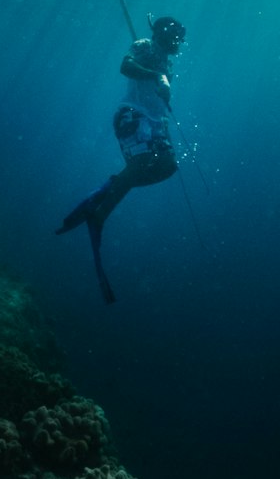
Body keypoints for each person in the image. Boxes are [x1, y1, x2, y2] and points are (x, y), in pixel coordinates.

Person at [55, 15, 186, 301]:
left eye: (180, 37)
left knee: (168, 167)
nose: (179, 42)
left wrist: (164, 98)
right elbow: (125, 66)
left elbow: (158, 94)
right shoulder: (144, 46)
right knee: (139, 166)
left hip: (155, 121)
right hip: (132, 115)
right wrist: (153, 75)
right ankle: (100, 211)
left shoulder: (168, 61)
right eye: (175, 35)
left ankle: (106, 195)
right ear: (163, 34)